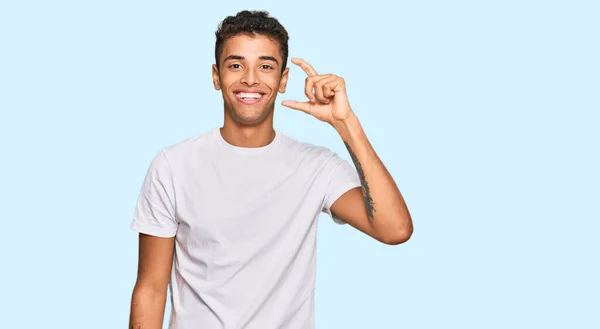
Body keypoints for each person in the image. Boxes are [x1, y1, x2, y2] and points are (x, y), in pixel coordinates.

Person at [128, 10, 413, 329]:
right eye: (236, 65)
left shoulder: (317, 167)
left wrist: (346, 124)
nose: (250, 78)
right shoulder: (173, 165)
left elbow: (395, 229)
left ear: (283, 80)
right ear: (216, 76)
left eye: (266, 66)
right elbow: (151, 290)